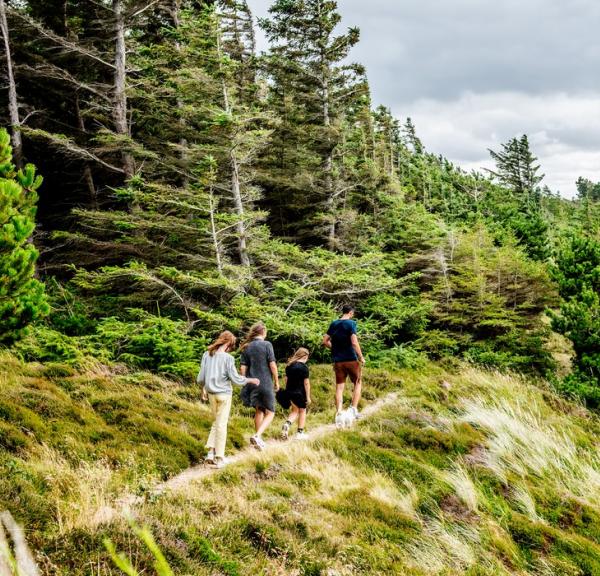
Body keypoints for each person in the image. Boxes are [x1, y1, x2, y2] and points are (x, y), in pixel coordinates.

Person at [197, 330, 260, 469]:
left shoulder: (206, 355)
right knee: (222, 425)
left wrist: (203, 389)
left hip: (211, 394)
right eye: (232, 345)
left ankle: (210, 453)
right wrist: (251, 380)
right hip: (224, 394)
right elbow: (236, 379)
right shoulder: (228, 358)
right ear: (229, 343)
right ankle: (220, 458)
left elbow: (201, 378)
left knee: (216, 423)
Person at [322, 304, 365, 426]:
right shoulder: (351, 324)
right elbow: (354, 342)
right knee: (357, 383)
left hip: (338, 361)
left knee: (339, 388)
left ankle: (339, 413)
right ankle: (354, 409)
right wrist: (361, 357)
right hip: (351, 359)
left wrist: (334, 348)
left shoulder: (334, 323)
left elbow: (325, 341)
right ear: (350, 313)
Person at [239, 322, 280, 450]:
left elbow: (242, 367)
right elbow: (272, 365)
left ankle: (258, 440)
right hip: (265, 382)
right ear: (263, 332)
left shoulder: (247, 347)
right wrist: (277, 381)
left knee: (259, 410)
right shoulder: (267, 345)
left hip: (252, 383)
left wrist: (245, 381)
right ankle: (257, 435)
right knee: (271, 411)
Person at [277, 347, 311, 440]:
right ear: (305, 356)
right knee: (302, 411)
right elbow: (306, 383)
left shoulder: (289, 366)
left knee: (294, 411)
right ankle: (300, 433)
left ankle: (287, 424)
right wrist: (308, 397)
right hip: (300, 393)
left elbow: (286, 379)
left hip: (289, 392)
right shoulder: (304, 367)